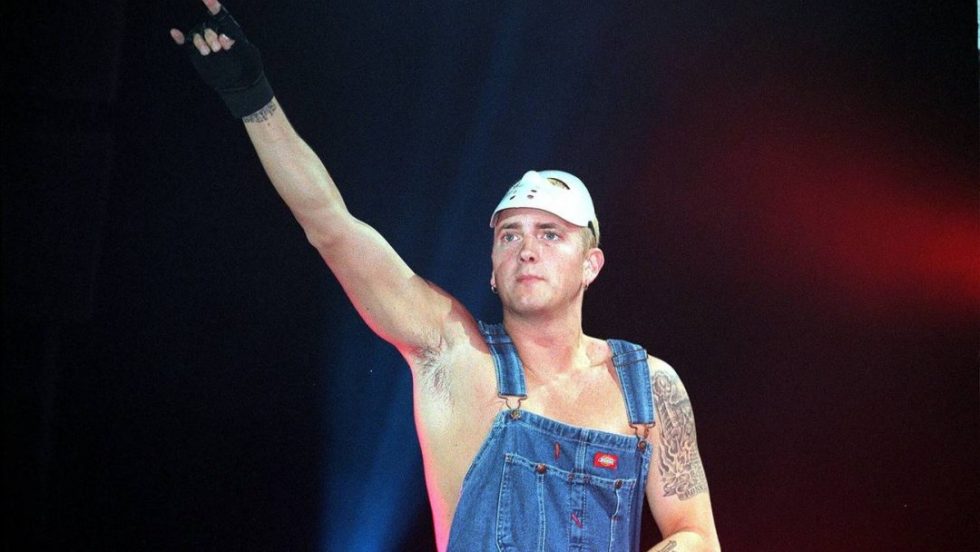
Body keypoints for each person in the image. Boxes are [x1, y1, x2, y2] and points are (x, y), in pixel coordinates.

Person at [171, 1, 720, 550]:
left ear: (590, 265)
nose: (527, 250)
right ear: (492, 270)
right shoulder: (453, 354)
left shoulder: (648, 388)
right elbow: (332, 227)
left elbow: (696, 534)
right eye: (510, 235)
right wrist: (254, 99)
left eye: (551, 234)